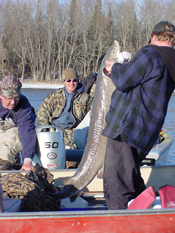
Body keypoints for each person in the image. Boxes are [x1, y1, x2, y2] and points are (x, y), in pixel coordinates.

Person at [102, 21, 175, 210]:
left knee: (116, 186)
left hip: (126, 130)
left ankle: (119, 225)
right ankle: (146, 216)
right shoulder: (170, 61)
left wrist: (115, 67)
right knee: (131, 180)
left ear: (153, 37)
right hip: (145, 134)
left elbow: (123, 80)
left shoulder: (150, 53)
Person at [37, 68, 93, 150]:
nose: (72, 83)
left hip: (75, 133)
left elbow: (93, 116)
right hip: (55, 131)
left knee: (72, 158)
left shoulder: (86, 98)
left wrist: (81, 129)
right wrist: (48, 129)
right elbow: (42, 113)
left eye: (74, 80)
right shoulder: (55, 96)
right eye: (68, 80)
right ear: (64, 82)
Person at [0, 75, 36, 170]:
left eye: (16, 98)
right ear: (1, 96)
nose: (13, 102)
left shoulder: (23, 105)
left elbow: (27, 130)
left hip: (11, 136)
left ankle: (6, 169)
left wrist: (28, 160)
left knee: (13, 136)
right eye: (9, 98)